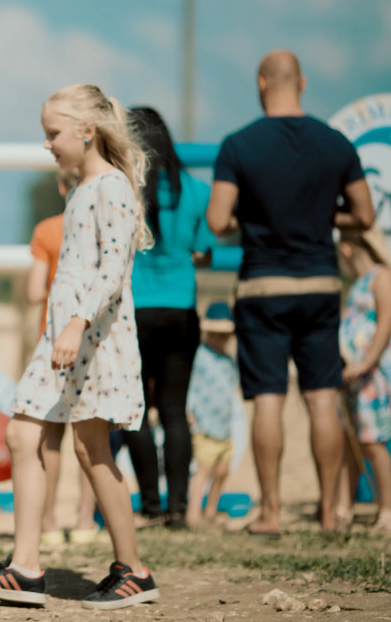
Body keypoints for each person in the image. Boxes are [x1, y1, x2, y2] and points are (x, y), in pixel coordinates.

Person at [0, 84, 158, 610]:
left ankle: (132, 570)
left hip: (89, 337)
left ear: (87, 131)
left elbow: (113, 268)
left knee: (90, 450)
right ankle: (27, 566)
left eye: (53, 133)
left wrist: (75, 324)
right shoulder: (80, 190)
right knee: (26, 434)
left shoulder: (111, 187)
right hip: (66, 337)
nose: (47, 144)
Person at [206, 50, 375, 534]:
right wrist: (327, 216)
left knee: (269, 401)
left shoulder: (239, 144)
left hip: (263, 285)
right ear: (301, 82)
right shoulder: (335, 143)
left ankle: (273, 512)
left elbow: (218, 221)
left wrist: (253, 219)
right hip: (321, 283)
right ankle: (330, 512)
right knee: (323, 398)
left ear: (262, 83)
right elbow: (364, 216)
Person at [122, 107, 215, 530]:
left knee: (137, 411)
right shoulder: (194, 189)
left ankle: (149, 506)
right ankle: (179, 509)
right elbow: (204, 249)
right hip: (181, 310)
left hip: (135, 313)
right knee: (175, 412)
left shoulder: (124, 188)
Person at [28, 169, 103, 546]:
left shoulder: (46, 230)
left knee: (50, 438)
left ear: (62, 186)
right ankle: (86, 521)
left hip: (56, 337)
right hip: (95, 340)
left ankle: (49, 523)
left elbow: (33, 290)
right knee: (91, 436)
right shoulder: (103, 226)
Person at [335, 226, 391, 533]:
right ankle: (342, 508)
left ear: (347, 248)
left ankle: (388, 510)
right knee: (352, 443)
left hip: (374, 374)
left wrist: (366, 362)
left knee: (374, 441)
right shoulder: (359, 283)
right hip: (356, 375)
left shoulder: (382, 277)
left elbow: (387, 322)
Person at [185, 302, 240, 528]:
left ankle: (210, 512)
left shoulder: (229, 361)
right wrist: (190, 413)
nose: (220, 339)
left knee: (222, 470)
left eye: (225, 335)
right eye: (215, 334)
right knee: (203, 471)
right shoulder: (198, 357)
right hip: (204, 426)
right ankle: (193, 514)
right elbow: (190, 386)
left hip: (224, 428)